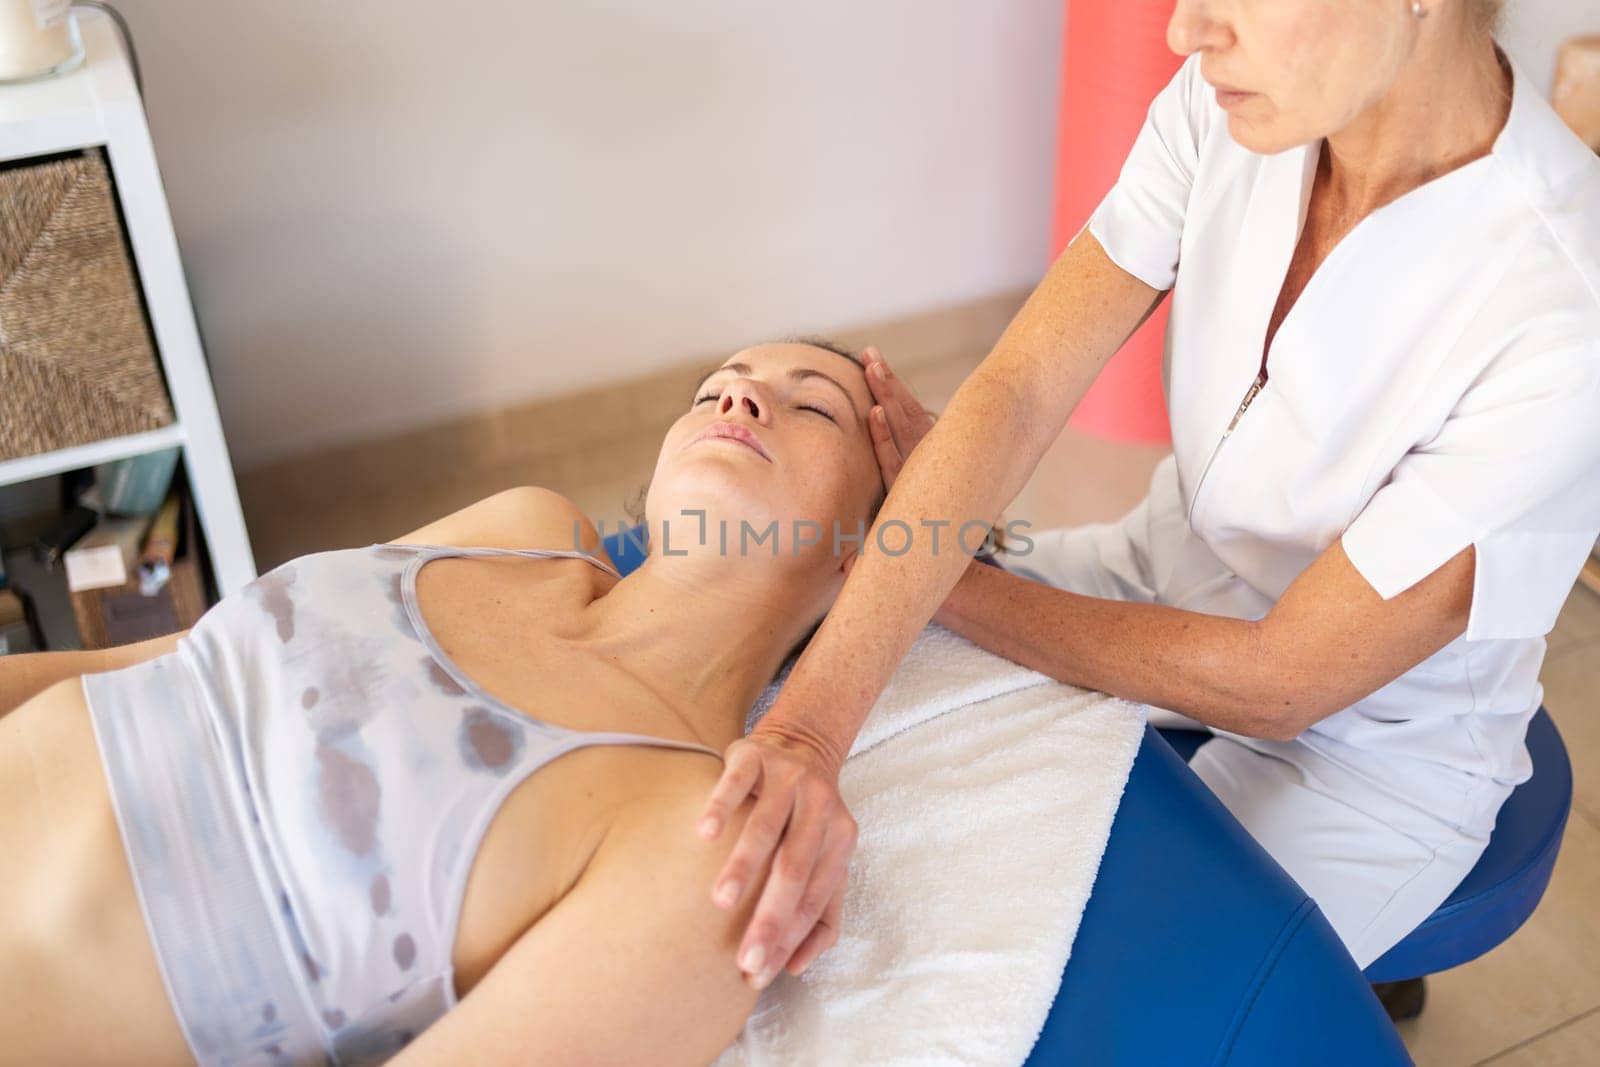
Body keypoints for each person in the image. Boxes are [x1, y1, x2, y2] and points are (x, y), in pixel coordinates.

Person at [696, 0, 1600, 1001]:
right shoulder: (1235, 101)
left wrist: (947, 577)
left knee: (1077, 993)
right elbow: (1022, 384)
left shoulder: (1564, 306)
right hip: (1165, 563)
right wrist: (809, 728)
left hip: (1364, 747)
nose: (1183, 31)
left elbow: (1282, 682)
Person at [0, 340, 886, 1065]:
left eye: (812, 407)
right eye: (712, 390)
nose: (737, 401)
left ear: (867, 556)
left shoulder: (707, 842)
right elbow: (142, 663)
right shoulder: (525, 531)